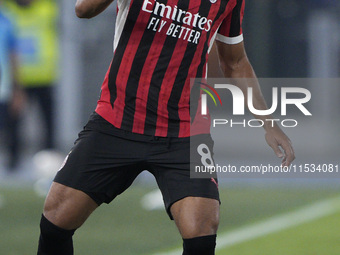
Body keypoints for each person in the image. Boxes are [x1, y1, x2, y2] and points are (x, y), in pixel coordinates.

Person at [37, 0, 295, 254]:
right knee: (56, 219)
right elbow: (83, 9)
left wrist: (269, 124)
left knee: (202, 231)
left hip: (186, 131)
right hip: (117, 120)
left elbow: (235, 62)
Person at [3, 0, 59, 168]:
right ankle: (13, 162)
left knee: (48, 121)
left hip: (44, 76)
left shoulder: (47, 7)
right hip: (20, 78)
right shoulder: (8, 10)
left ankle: (51, 160)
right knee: (14, 121)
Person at [0, 2, 25, 170]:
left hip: (3, 88)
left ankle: (13, 168)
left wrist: (17, 90)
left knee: (9, 128)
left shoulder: (7, 21)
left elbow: (13, 57)